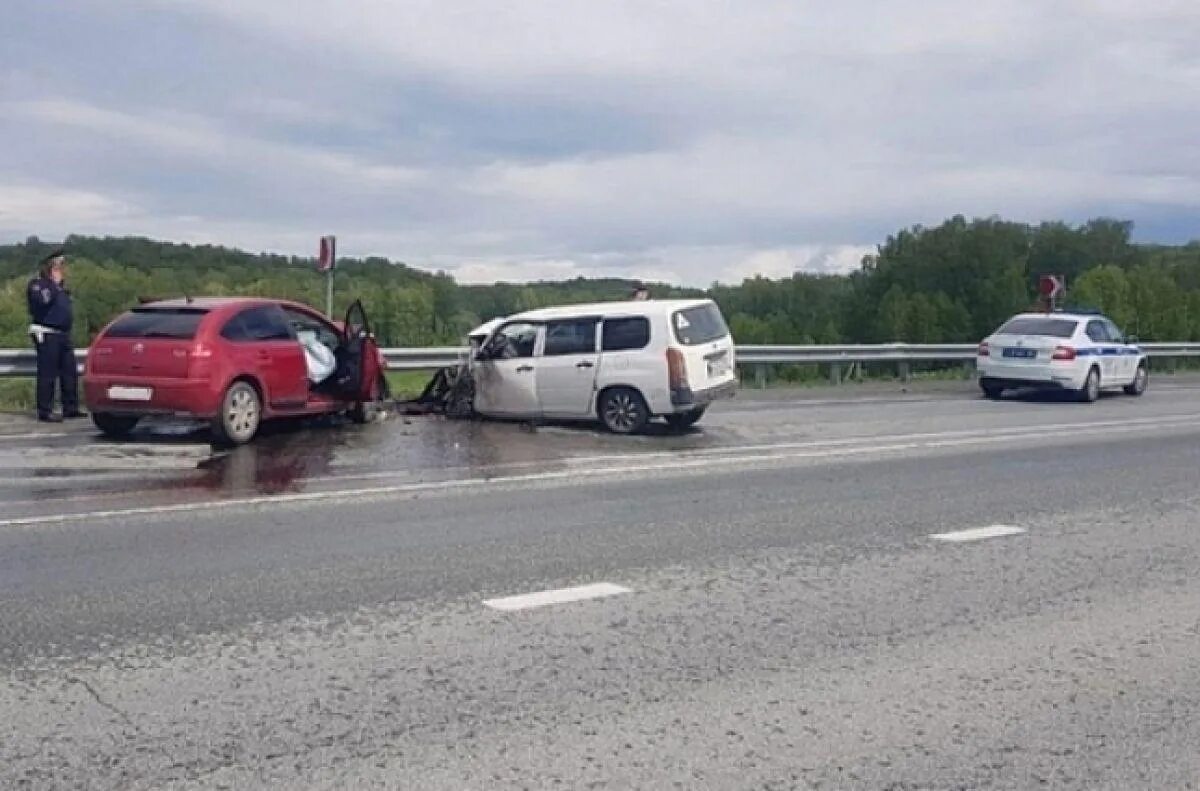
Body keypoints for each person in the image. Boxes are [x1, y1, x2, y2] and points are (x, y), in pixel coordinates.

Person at [27, 249, 83, 422]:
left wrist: (59, 287)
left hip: (63, 334)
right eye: (59, 266)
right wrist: (53, 285)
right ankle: (45, 410)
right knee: (48, 373)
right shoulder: (39, 284)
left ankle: (71, 407)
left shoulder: (60, 287)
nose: (62, 269)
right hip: (47, 333)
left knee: (69, 372)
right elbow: (43, 302)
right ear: (49, 267)